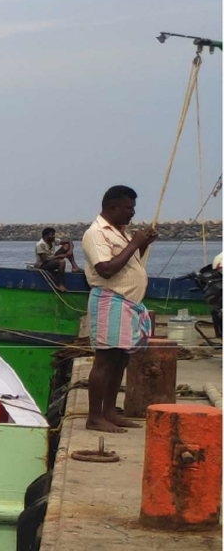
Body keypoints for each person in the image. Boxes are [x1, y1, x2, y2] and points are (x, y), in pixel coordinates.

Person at [81, 185, 158, 433]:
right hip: (110, 300)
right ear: (112, 207)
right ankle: (94, 417)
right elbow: (106, 269)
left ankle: (109, 412)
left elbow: (129, 264)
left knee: (121, 359)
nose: (132, 213)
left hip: (128, 303)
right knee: (105, 360)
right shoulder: (96, 234)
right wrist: (135, 243)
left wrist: (142, 244)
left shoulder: (119, 233)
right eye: (128, 208)